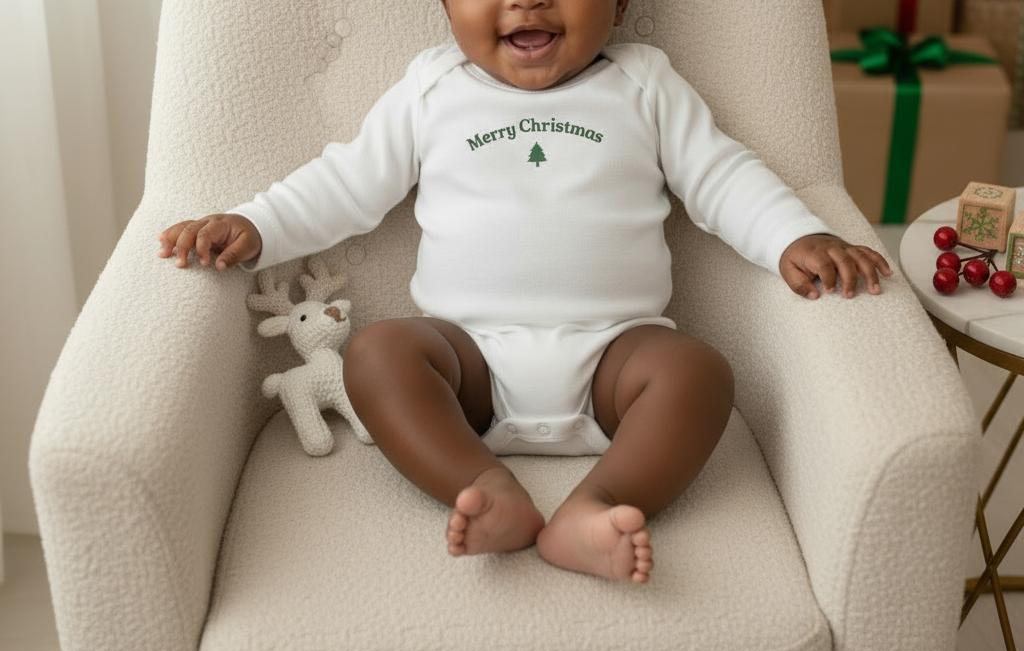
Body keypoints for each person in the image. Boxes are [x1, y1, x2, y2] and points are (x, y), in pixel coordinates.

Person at [157, 0, 892, 584]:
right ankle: (483, 485)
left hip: (616, 362)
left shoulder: (644, 83)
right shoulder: (433, 87)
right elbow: (344, 183)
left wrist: (795, 234)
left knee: (700, 372)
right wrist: (256, 224)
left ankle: (596, 507)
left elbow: (723, 176)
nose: (527, 1)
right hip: (466, 368)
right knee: (378, 352)